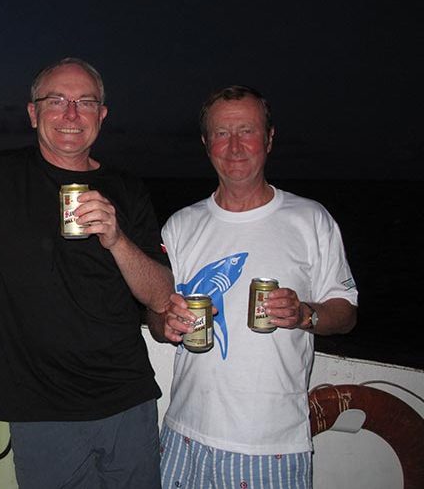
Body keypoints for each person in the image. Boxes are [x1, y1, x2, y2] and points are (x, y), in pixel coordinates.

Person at [0, 57, 175, 488]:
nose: (71, 114)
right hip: (41, 412)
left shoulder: (128, 188)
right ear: (33, 113)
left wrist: (117, 238)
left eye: (85, 102)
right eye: (56, 101)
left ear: (102, 115)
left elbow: (160, 296)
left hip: (128, 400)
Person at [148, 85, 358, 488]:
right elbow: (158, 318)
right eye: (221, 133)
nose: (235, 146)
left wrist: (305, 314)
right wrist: (166, 322)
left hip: (270, 446)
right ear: (206, 143)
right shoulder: (180, 225)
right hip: (183, 435)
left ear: (269, 138)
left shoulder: (311, 220)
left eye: (247, 131)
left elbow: (346, 313)